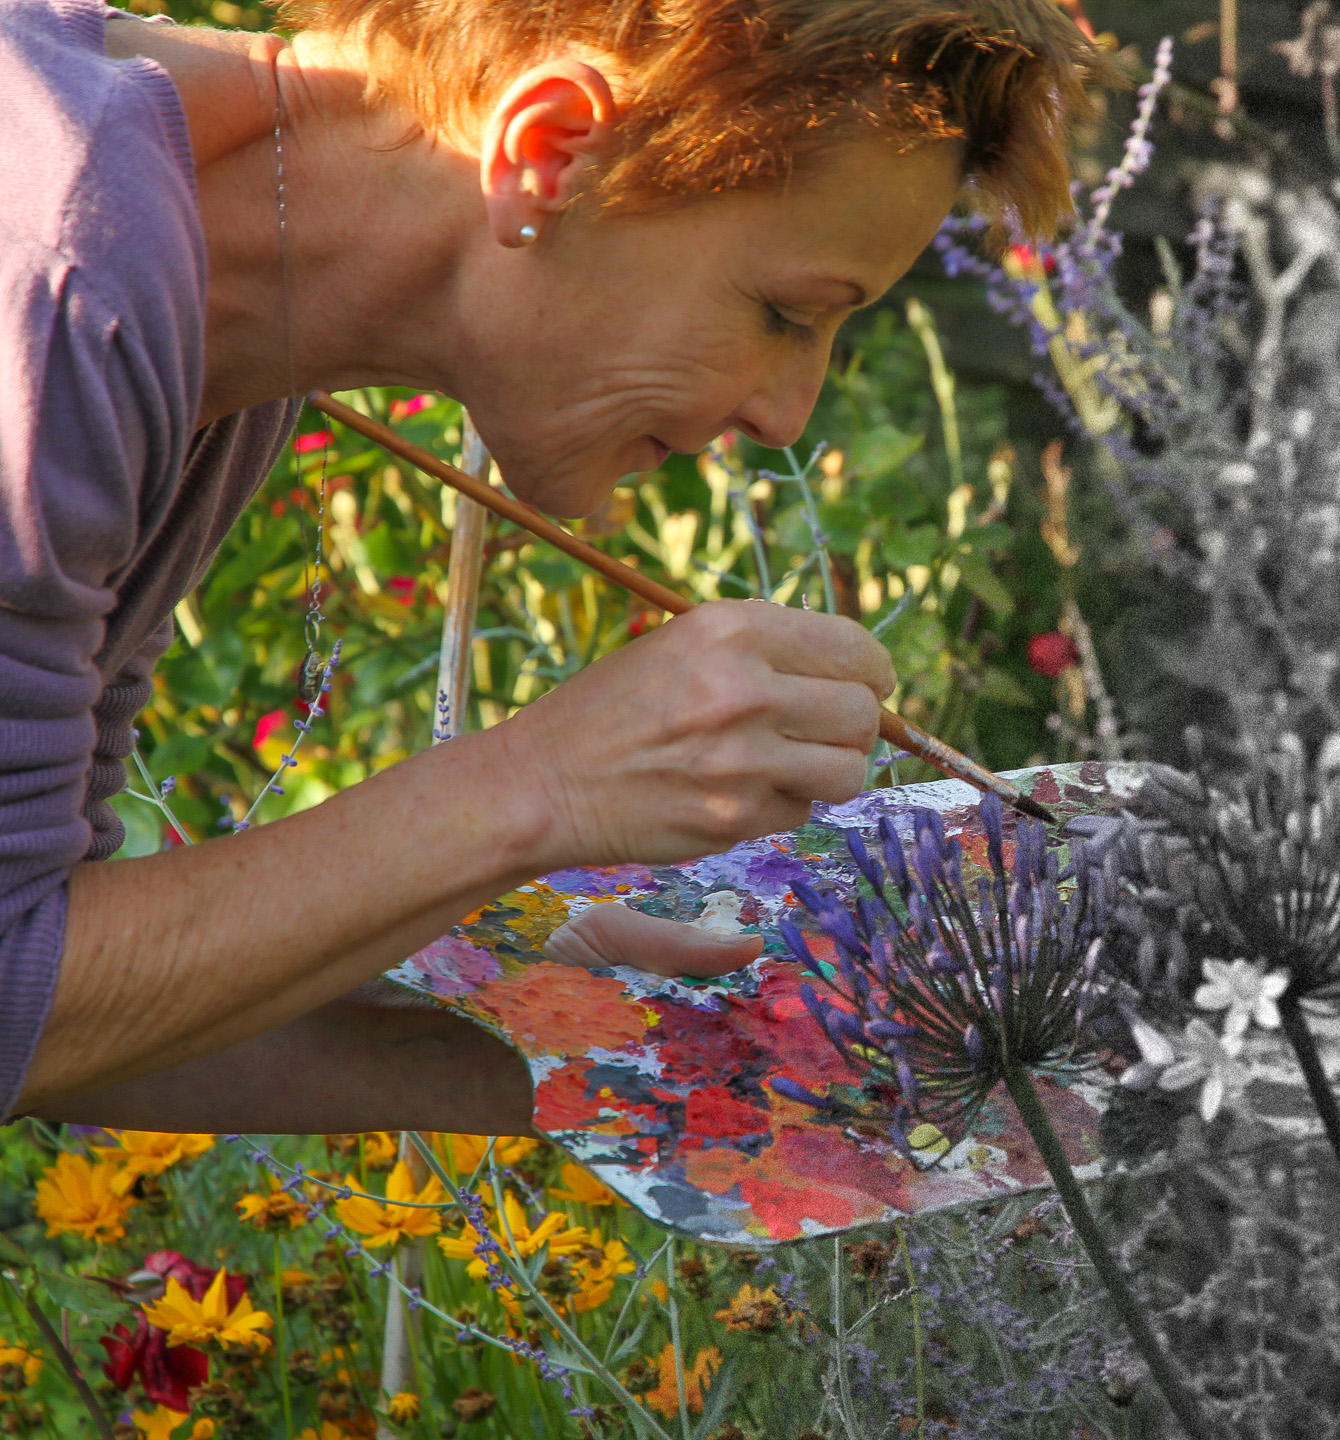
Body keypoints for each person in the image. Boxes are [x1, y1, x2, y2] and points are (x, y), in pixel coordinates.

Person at [0, 0, 1099, 1134]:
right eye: (786, 312)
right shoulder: (52, 282)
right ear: (549, 151)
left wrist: (611, 1048)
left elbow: (61, 995)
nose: (788, 412)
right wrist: (535, 788)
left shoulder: (201, 309)